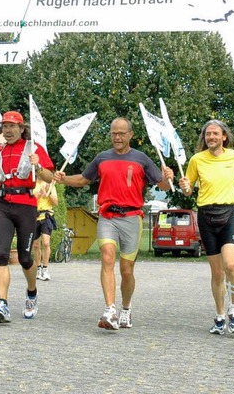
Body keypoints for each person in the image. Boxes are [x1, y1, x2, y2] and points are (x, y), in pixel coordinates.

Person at [54, 117, 173, 330]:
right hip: (108, 216)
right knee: (107, 258)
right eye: (113, 133)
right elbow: (83, 179)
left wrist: (167, 176)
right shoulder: (102, 158)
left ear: (130, 135)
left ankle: (126, 309)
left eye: (121, 133)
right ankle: (110, 310)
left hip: (132, 218)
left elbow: (163, 185)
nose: (117, 137)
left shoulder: (142, 158)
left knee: (127, 270)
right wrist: (62, 179)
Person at [0, 110, 54, 323]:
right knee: (1, 254)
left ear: (22, 129)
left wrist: (38, 166)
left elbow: (50, 177)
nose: (8, 130)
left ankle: (31, 293)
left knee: (25, 258)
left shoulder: (34, 148)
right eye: (5, 127)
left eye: (12, 126)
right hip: (4, 205)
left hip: (26, 206)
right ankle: (2, 303)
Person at [178, 119, 234, 336]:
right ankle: (220, 315)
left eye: (215, 133)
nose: (211, 137)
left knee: (230, 265)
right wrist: (185, 186)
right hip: (206, 214)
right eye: (207, 134)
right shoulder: (196, 160)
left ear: (224, 136)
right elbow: (188, 189)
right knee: (216, 272)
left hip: (229, 213)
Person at [33, 178, 58, 281]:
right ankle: (38, 268)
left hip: (46, 216)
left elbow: (56, 202)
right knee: (35, 244)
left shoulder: (50, 184)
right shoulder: (32, 183)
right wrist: (39, 195)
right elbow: (30, 201)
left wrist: (49, 192)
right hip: (34, 216)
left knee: (46, 243)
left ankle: (45, 269)